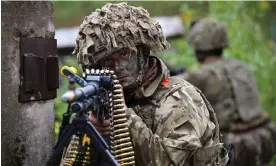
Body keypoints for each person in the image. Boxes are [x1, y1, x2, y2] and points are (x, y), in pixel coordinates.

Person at [72, 3, 228, 166]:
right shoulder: (103, 100)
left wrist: (122, 118)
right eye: (107, 61)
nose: (117, 67)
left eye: (124, 54)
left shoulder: (179, 98)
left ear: (143, 52)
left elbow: (169, 162)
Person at [182, 17, 276, 166]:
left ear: (199, 45)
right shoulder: (241, 67)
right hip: (264, 139)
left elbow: (168, 86)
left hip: (233, 147)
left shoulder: (199, 76)